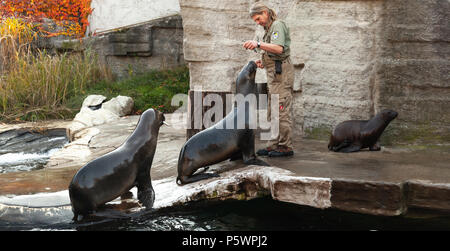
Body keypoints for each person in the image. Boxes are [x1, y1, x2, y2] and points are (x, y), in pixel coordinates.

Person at [243, 3, 294, 157]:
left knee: (280, 109)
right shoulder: (268, 29)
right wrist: (263, 62)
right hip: (273, 73)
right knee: (273, 110)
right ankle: (274, 144)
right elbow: (273, 53)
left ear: (265, 13)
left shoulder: (277, 25)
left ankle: (285, 147)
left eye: (258, 18)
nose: (258, 22)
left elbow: (279, 48)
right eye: (255, 21)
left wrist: (258, 44)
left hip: (281, 74)